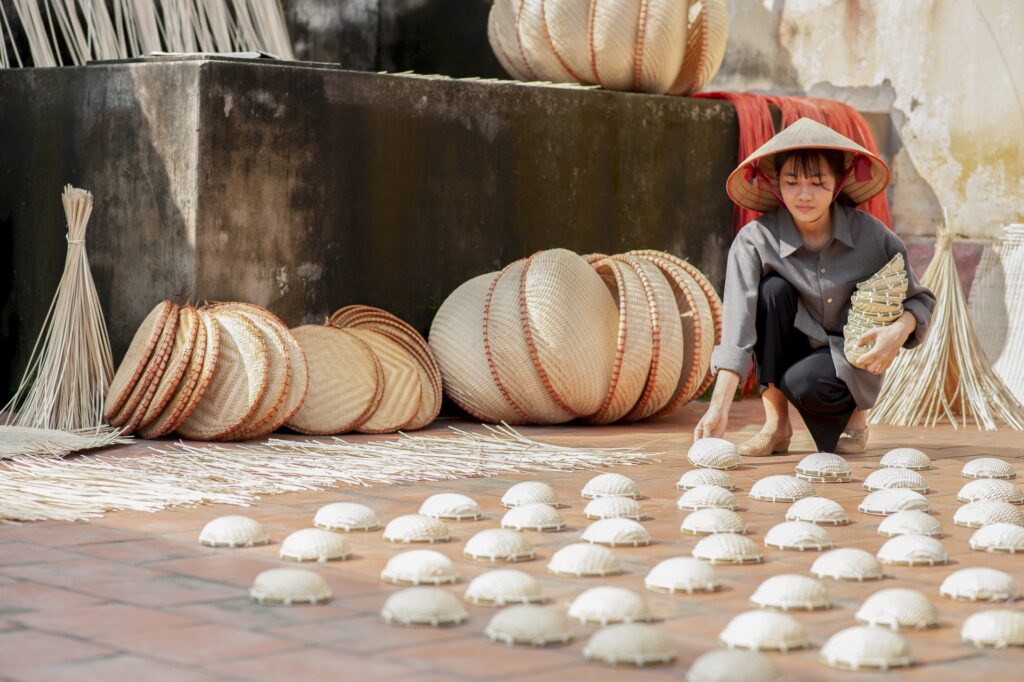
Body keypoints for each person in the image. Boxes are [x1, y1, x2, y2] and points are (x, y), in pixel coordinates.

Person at [693, 118, 936, 455]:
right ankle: (776, 424)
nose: (804, 194)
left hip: (847, 357)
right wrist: (719, 406)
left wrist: (898, 331)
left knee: (802, 382)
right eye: (792, 182)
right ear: (777, 184)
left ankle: (856, 416)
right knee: (770, 292)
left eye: (818, 182)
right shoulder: (755, 241)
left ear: (837, 185)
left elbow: (921, 300)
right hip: (795, 342)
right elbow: (738, 325)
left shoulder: (872, 236)